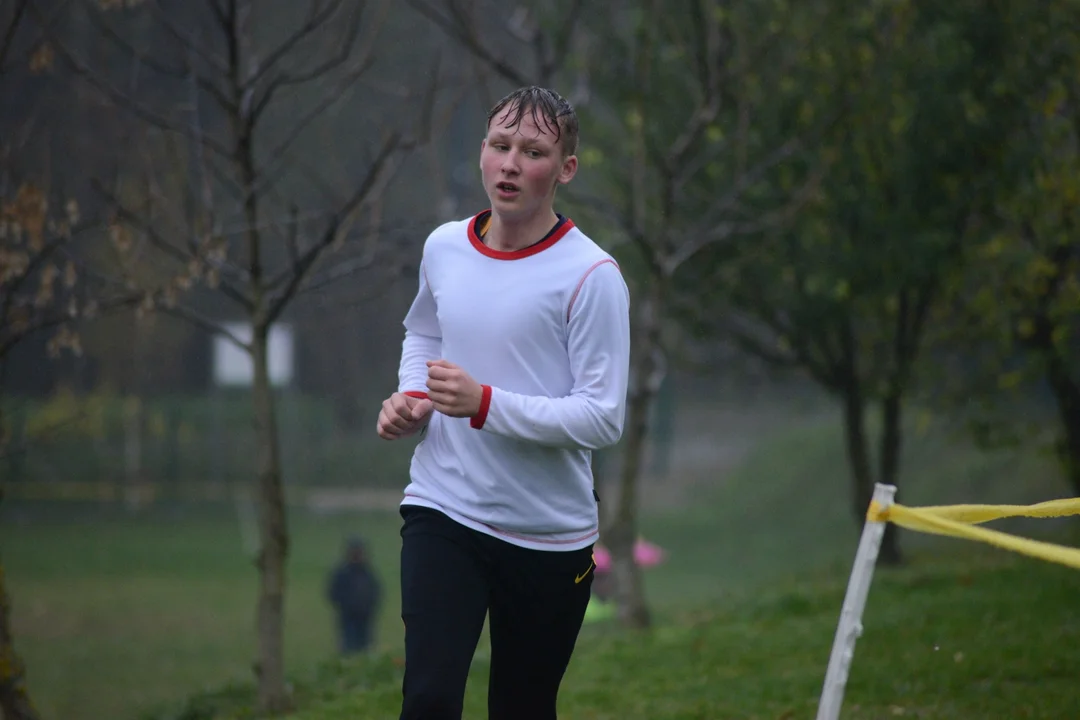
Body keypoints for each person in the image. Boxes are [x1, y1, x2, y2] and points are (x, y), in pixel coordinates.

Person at [376, 85, 632, 720]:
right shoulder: (444, 246)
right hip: (445, 508)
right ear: (483, 152)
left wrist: (484, 402)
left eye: (534, 151)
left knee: (520, 709)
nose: (511, 164)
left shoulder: (592, 277)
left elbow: (602, 417)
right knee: (429, 700)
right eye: (500, 145)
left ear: (565, 169)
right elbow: (426, 330)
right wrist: (413, 396)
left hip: (548, 536)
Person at [326, 536, 382, 655]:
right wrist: (344, 605)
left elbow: (377, 592)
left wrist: (371, 607)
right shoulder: (342, 573)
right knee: (348, 647)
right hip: (348, 617)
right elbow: (332, 592)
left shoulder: (368, 572)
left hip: (365, 617)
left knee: (365, 647)